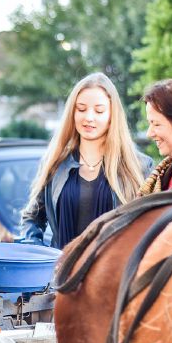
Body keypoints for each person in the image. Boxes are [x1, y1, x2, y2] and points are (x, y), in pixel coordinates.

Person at [19, 73, 153, 249]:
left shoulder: (139, 166)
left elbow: (150, 226)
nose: (89, 117)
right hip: (61, 266)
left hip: (114, 266)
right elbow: (32, 217)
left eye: (99, 111)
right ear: (72, 113)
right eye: (81, 109)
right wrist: (36, 253)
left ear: (112, 115)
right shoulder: (55, 164)